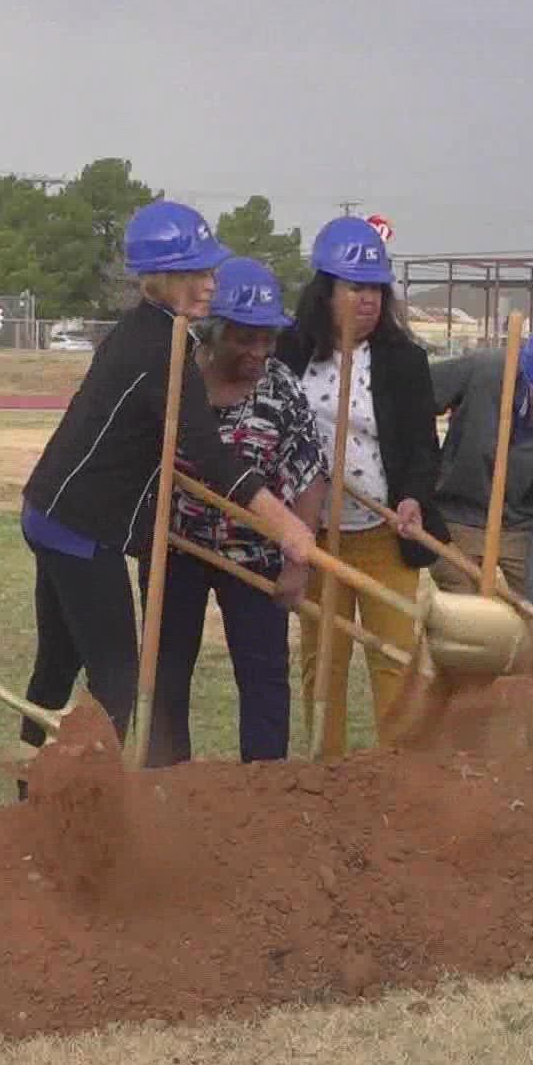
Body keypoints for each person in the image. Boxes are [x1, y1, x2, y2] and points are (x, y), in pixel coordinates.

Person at [16, 201, 315, 766]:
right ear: (163, 278)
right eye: (196, 275)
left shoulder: (147, 330)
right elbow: (208, 453)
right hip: (80, 527)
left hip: (50, 511)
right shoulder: (163, 346)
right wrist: (286, 524)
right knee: (119, 678)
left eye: (209, 272)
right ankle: (75, 803)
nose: (209, 285)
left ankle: (33, 784)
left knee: (57, 665)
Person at [144, 258, 325, 765]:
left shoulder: (281, 387)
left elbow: (309, 474)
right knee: (164, 671)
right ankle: (167, 783)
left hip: (255, 553)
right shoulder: (177, 375)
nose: (259, 351)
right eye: (246, 338)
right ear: (215, 332)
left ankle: (265, 791)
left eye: (267, 338)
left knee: (265, 676)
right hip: (175, 545)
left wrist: (298, 562)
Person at [281, 216, 448, 750]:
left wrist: (414, 499)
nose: (369, 300)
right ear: (326, 290)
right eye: (356, 288)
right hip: (315, 537)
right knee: (323, 664)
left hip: (382, 532)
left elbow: (423, 447)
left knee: (395, 660)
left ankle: (400, 778)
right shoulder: (289, 355)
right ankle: (327, 776)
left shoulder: (404, 361)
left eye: (376, 288)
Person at [424, 321, 533, 662]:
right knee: (473, 636)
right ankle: (470, 710)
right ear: (529, 381)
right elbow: (411, 401)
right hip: (457, 521)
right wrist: (425, 478)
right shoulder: (487, 371)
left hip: (523, 528)